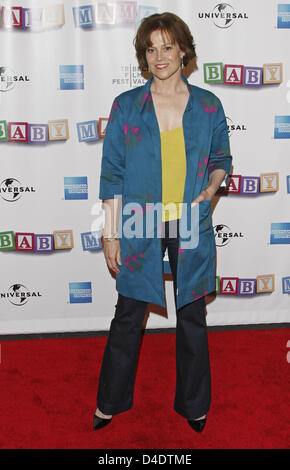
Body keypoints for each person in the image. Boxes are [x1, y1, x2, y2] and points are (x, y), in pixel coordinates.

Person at [93, 12, 232, 433]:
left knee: (192, 316)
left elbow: (222, 160)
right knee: (128, 314)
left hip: (190, 221)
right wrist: (110, 231)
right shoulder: (126, 106)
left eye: (167, 46)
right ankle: (109, 402)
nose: (159, 56)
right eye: (150, 48)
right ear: (143, 56)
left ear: (183, 50)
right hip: (140, 221)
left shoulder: (208, 105)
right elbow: (112, 173)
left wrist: (211, 189)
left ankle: (194, 404)